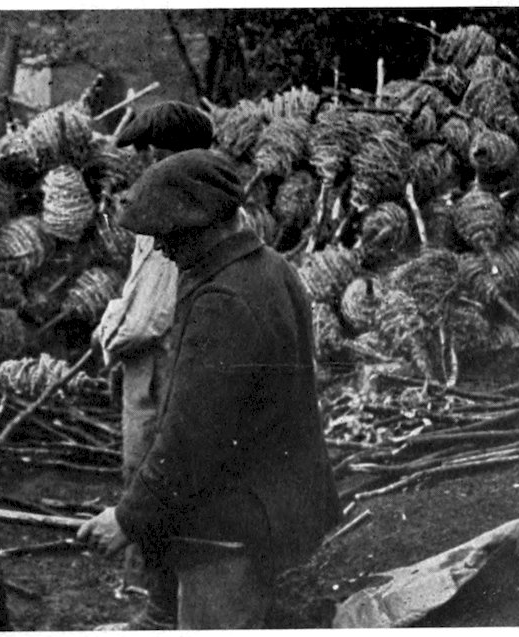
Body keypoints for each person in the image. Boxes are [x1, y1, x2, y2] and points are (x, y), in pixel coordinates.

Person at [78, 149, 342, 630]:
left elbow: (191, 435)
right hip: (277, 504)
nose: (161, 249)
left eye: (168, 236)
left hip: (231, 526)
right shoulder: (271, 267)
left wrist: (128, 518)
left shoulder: (221, 300)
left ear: (203, 227)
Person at [91, 101, 214, 597]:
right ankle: (154, 585)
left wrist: (113, 336)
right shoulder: (158, 204)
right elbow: (138, 287)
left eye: (152, 154)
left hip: (169, 358)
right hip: (148, 356)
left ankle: (163, 600)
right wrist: (115, 324)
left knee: (156, 470)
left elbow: (155, 312)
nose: (144, 164)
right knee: (145, 468)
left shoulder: (189, 213)